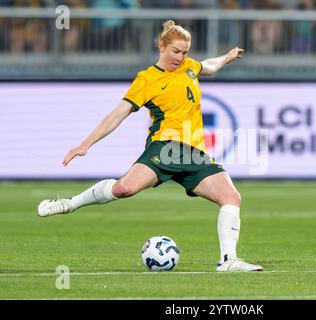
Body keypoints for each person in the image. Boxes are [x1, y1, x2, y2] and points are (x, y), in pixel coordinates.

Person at [37, 20, 263, 273]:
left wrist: (228, 57)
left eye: (185, 52)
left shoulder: (189, 67)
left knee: (231, 197)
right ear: (162, 46)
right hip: (165, 148)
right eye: (176, 51)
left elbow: (208, 66)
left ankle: (228, 260)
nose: (181, 57)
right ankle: (69, 204)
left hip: (195, 153)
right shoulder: (147, 79)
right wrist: (85, 144)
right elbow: (117, 115)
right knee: (124, 189)